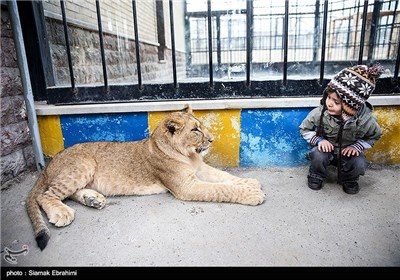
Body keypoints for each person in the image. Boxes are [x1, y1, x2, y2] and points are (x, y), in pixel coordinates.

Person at [299, 64, 384, 194]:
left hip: (347, 152)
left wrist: (357, 147)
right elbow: (304, 129)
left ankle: (349, 179)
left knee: (359, 162)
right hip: (327, 149)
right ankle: (316, 176)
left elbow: (375, 135)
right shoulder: (320, 113)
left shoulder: (366, 120)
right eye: (328, 97)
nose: (329, 103)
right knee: (317, 154)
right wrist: (319, 140)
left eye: (337, 102)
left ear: (350, 106)